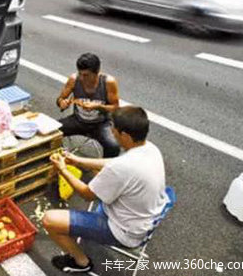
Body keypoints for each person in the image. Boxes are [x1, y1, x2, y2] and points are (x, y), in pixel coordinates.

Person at [43, 106, 168, 273]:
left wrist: (63, 169)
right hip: (143, 221)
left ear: (125, 135)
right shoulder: (150, 149)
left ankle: (81, 262)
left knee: (49, 220)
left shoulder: (121, 168)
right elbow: (112, 163)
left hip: (123, 232)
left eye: (113, 129)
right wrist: (77, 160)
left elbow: (86, 194)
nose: (112, 132)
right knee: (100, 182)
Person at [56, 53, 121, 157]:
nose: (82, 78)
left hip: (100, 123)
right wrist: (62, 103)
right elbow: (60, 99)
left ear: (97, 72)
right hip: (78, 121)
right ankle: (58, 158)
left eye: (86, 75)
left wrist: (97, 107)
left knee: (113, 146)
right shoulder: (74, 79)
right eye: (80, 74)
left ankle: (104, 167)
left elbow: (115, 108)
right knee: (52, 132)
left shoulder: (108, 82)